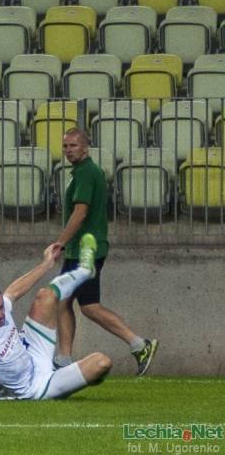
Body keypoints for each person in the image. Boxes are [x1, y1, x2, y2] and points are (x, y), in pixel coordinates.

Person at [0, 235, 112, 401]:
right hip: (35, 387)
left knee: (46, 295)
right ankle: (51, 379)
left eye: (1, 307)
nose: (0, 314)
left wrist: (46, 264)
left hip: (32, 354)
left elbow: (15, 290)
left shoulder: (1, 308)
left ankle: (83, 271)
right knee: (102, 363)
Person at [52, 128, 157, 376]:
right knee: (62, 301)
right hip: (81, 249)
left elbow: (81, 213)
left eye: (73, 145)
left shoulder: (86, 173)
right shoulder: (83, 171)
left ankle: (139, 344)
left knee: (88, 306)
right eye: (65, 146)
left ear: (85, 147)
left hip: (86, 249)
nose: (68, 150)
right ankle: (63, 359)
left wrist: (60, 243)